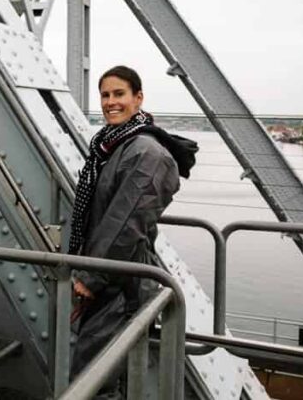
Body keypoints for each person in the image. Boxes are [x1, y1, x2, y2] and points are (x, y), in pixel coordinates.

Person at [68, 65, 195, 396]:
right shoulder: (114, 147)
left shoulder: (147, 153)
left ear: (138, 98)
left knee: (95, 378)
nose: (110, 102)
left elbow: (126, 222)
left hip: (119, 284)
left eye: (119, 94)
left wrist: (91, 278)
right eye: (105, 95)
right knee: (103, 372)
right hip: (113, 277)